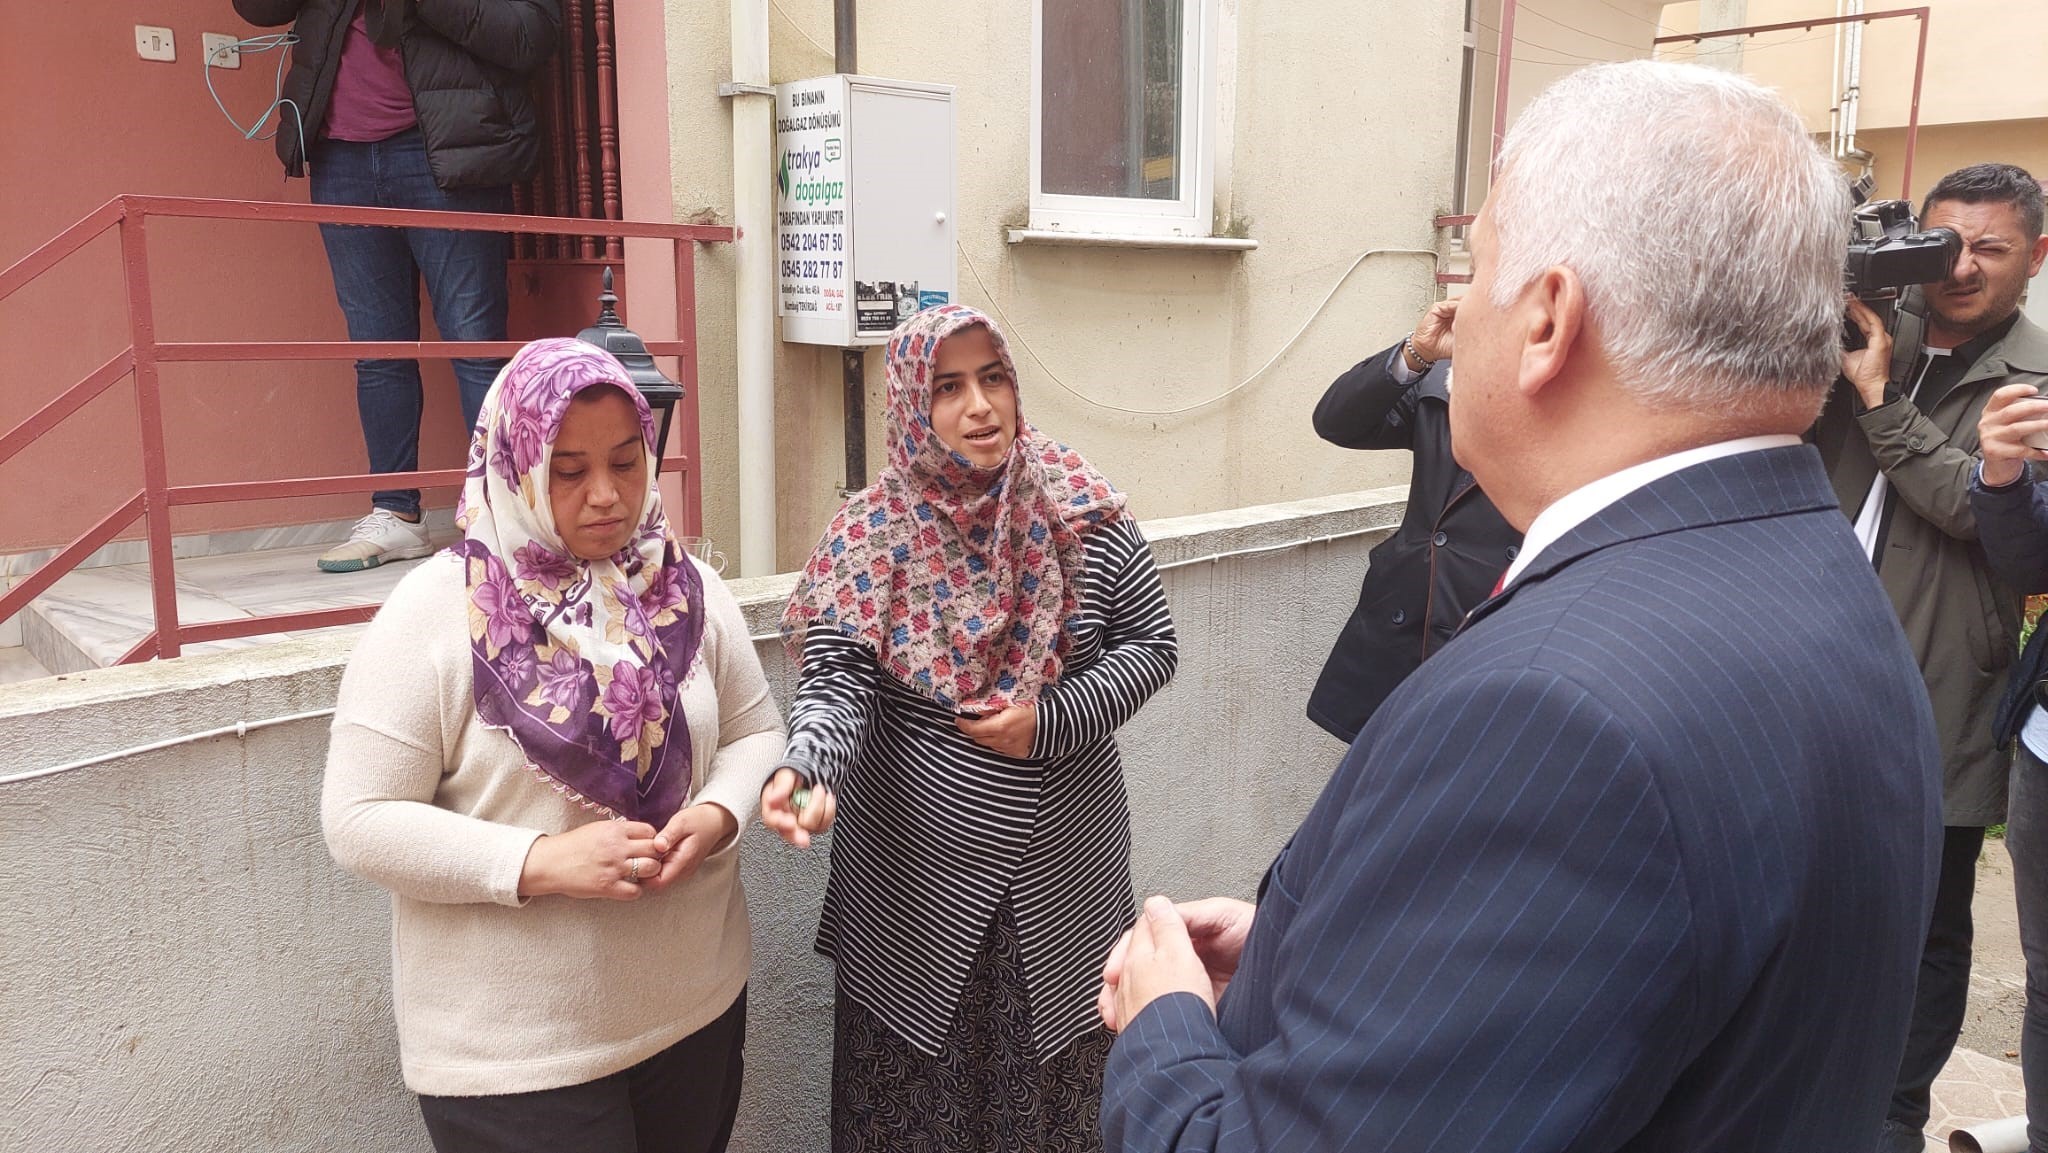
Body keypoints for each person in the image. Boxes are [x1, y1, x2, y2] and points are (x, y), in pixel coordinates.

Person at [1095, 60, 1942, 1153]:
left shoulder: (1549, 714)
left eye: (1478, 267)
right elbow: (1625, 971)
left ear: (1546, 319)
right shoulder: (1814, 570)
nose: (1461, 312)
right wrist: (1321, 955)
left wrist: (1163, 1024)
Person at [322, 339, 784, 1153]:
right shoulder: (437, 612)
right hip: (518, 1059)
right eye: (567, 471)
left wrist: (718, 813)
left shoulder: (686, 589)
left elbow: (757, 731)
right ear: (515, 464)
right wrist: (539, 861)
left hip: (696, 1008)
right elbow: (359, 817)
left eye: (626, 462)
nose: (607, 495)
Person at [764, 303, 1178, 1153]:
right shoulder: (872, 532)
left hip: (1060, 884)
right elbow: (838, 680)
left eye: (993, 378)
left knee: (1054, 1109)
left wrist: (1050, 720)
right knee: (911, 1118)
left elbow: (1151, 644)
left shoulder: (1081, 510)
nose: (980, 405)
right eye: (947, 387)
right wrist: (806, 767)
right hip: (914, 891)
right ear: (911, 405)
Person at [1811, 162, 2048, 1153]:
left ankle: (1890, 1113)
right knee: (1801, 882)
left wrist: (1878, 399)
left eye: (1990, 248)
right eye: (1943, 242)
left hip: (1940, 673)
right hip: (1809, 647)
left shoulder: (2035, 380)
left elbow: (1982, 514)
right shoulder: (1865, 322)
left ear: (2036, 257)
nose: (1959, 266)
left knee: (1926, 915)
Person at [230, 0, 559, 573]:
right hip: (340, 157)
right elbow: (258, 9)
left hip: (447, 153)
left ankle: (504, 517)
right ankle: (396, 514)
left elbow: (530, 37)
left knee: (475, 344)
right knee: (378, 351)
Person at [1306, 297, 1519, 742]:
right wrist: (1417, 352)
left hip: (1495, 639)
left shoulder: (1586, 401)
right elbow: (1336, 422)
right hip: (1405, 632)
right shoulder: (1443, 377)